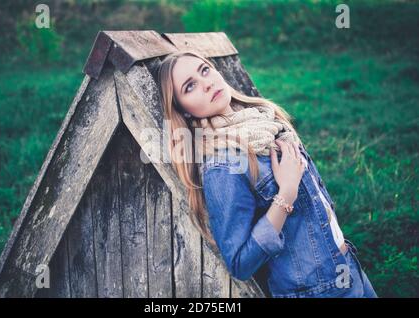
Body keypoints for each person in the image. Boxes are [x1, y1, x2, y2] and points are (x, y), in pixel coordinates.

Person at [157, 50, 377, 298]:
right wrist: (286, 194)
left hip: (348, 266)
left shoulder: (265, 121)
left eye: (204, 70)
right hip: (314, 291)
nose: (206, 83)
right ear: (183, 110)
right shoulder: (222, 165)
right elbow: (240, 262)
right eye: (190, 86)